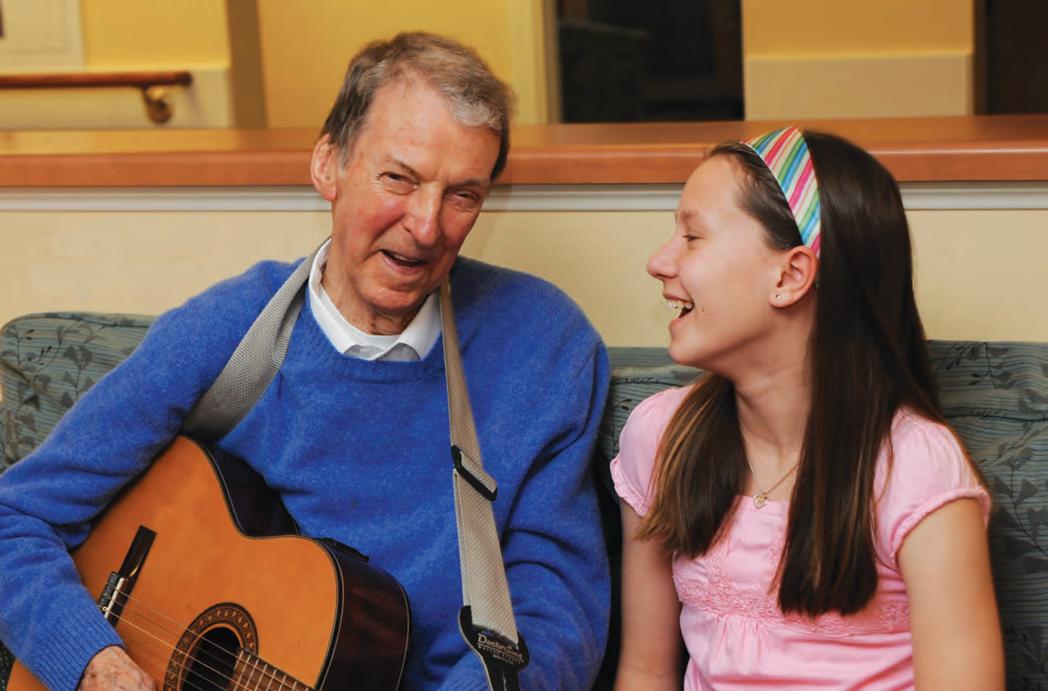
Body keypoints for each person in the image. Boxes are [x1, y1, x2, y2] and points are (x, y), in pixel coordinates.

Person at [0, 33, 610, 690]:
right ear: (328, 166)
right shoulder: (226, 331)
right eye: (399, 179)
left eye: (463, 194)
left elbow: (557, 618)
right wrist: (95, 662)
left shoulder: (544, 348)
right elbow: (15, 518)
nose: (427, 226)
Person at [611, 127, 1004, 689]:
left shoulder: (914, 467)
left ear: (790, 275)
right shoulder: (660, 436)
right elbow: (645, 669)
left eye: (693, 237)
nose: (658, 261)